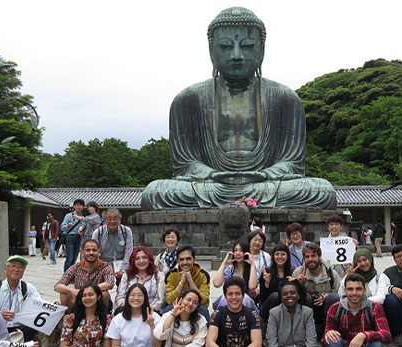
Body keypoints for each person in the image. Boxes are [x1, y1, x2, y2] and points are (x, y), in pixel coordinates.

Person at [140, 7, 337, 211]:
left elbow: (292, 163)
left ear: (261, 50)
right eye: (225, 46)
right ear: (211, 51)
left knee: (322, 192)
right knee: (154, 193)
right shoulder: (188, 100)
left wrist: (266, 174)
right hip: (211, 186)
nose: (236, 55)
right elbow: (185, 164)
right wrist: (210, 174)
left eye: (247, 46)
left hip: (265, 185)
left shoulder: (285, 98)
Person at [0, 255, 41, 342]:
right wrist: (0, 315)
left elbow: (39, 306)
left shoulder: (28, 288)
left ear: (23, 271)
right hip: (1, 328)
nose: (16, 270)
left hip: (21, 328)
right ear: (6, 269)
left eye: (20, 267)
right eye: (13, 266)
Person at [55, 239, 116, 308]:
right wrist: (73, 291)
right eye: (88, 250)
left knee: (105, 294)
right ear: (82, 253)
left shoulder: (106, 266)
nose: (91, 253)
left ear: (99, 252)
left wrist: (85, 291)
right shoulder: (76, 267)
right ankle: (70, 316)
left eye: (94, 250)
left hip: (97, 300)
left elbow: (109, 283)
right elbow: (58, 286)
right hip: (79, 299)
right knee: (64, 293)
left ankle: (103, 317)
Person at [292, 243, 339, 331]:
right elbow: (292, 296)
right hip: (307, 308)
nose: (310, 259)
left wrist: (324, 297)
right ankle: (306, 330)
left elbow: (336, 292)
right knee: (305, 297)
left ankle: (329, 329)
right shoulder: (298, 272)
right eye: (307, 257)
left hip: (325, 309)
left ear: (319, 257)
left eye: (313, 256)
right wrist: (299, 284)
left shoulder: (332, 274)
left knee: (333, 297)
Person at [165, 246, 211, 321]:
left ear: (194, 260)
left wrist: (190, 281)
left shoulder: (203, 275)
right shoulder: (171, 275)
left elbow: (203, 300)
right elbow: (169, 300)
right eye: (181, 260)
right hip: (178, 306)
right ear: (177, 261)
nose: (185, 262)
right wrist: (181, 283)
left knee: (203, 309)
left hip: (196, 306)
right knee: (168, 309)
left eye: (188, 259)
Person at [115, 246, 166, 312]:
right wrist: (129, 308)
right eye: (137, 258)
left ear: (149, 259)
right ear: (133, 261)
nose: (141, 261)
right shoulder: (126, 276)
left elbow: (160, 299)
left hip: (151, 312)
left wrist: (147, 310)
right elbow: (119, 297)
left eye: (144, 258)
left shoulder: (158, 275)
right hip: (129, 311)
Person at [212, 240, 258, 311]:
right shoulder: (229, 269)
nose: (238, 253)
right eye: (235, 250)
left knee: (244, 298)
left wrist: (252, 265)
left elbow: (252, 286)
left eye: (241, 251)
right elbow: (216, 283)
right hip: (229, 300)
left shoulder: (252, 269)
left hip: (246, 303)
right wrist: (224, 263)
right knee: (224, 299)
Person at [92, 208, 134, 285]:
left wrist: (124, 270)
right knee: (101, 290)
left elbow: (129, 252)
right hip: (103, 264)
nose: (112, 221)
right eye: (109, 219)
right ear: (105, 220)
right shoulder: (98, 233)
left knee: (125, 287)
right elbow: (93, 253)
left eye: (115, 218)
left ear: (120, 220)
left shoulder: (126, 231)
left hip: (121, 263)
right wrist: (100, 269)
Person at [259, 244, 295, 321]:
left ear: (287, 256)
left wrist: (296, 283)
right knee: (275, 296)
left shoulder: (292, 272)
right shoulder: (267, 272)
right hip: (269, 308)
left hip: (287, 305)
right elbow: (262, 298)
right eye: (277, 254)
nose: (280, 257)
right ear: (273, 256)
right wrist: (267, 283)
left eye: (283, 254)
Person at [326, 215, 357, 279]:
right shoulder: (325, 242)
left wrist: (355, 246)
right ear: (328, 227)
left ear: (341, 226)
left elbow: (353, 257)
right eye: (331, 224)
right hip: (331, 273)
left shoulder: (348, 240)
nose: (334, 227)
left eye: (337, 224)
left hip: (346, 271)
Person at [61, 199, 86, 272]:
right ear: (74, 206)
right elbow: (62, 227)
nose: (79, 207)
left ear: (83, 207)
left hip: (79, 238)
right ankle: (66, 275)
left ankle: (71, 275)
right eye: (77, 205)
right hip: (70, 237)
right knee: (69, 258)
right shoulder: (69, 216)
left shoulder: (84, 218)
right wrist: (68, 226)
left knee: (74, 258)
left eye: (81, 205)